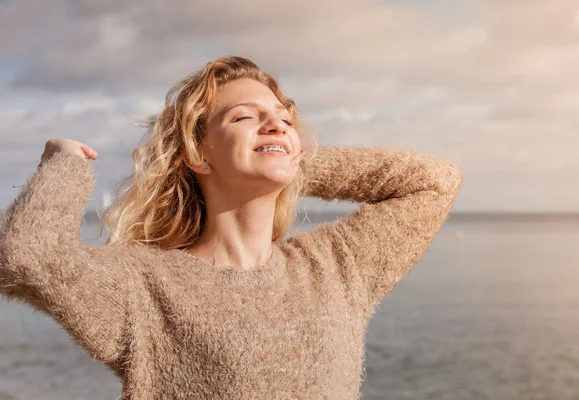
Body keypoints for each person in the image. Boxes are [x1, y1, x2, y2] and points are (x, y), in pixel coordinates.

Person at [0, 56, 463, 399]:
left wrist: (293, 163)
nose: (274, 123)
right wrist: (63, 163)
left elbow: (433, 182)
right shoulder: (143, 288)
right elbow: (26, 256)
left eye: (285, 119)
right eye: (244, 116)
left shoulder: (337, 267)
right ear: (198, 155)